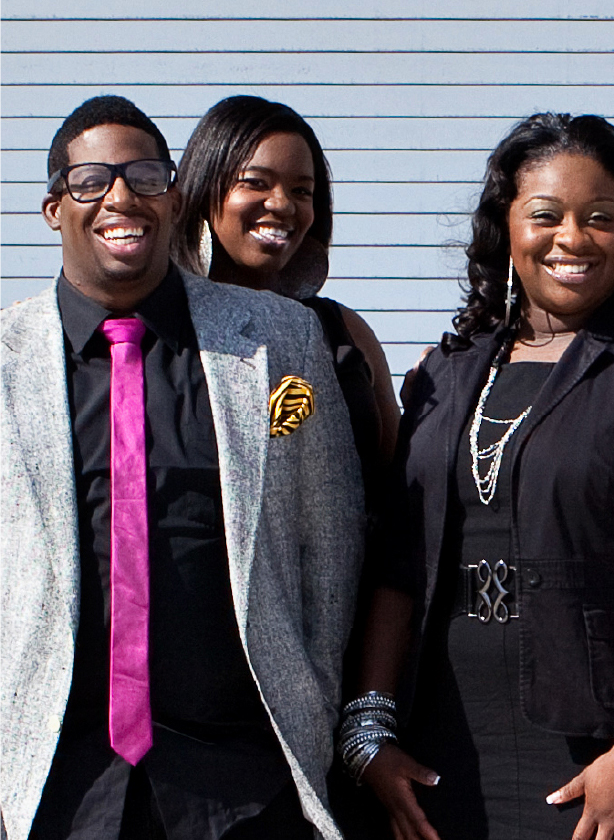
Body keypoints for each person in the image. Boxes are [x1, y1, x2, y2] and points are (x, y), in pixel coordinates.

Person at [346, 113, 614, 840]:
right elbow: (397, 565)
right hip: (442, 751)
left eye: (600, 217)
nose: (573, 238)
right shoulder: (445, 372)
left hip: (602, 762)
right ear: (506, 226)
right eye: (547, 215)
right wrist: (369, 734)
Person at [0, 96, 362, 839]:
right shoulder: (6, 360)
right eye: (91, 180)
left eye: (145, 176)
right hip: (55, 788)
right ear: (52, 209)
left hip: (241, 784)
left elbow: (330, 552)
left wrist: (315, 707)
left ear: (174, 196)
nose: (122, 197)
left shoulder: (280, 341)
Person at [172, 95, 399, 495]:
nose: (281, 204)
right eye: (256, 182)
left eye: (301, 191)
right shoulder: (163, 327)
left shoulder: (345, 332)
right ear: (205, 188)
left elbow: (397, 480)